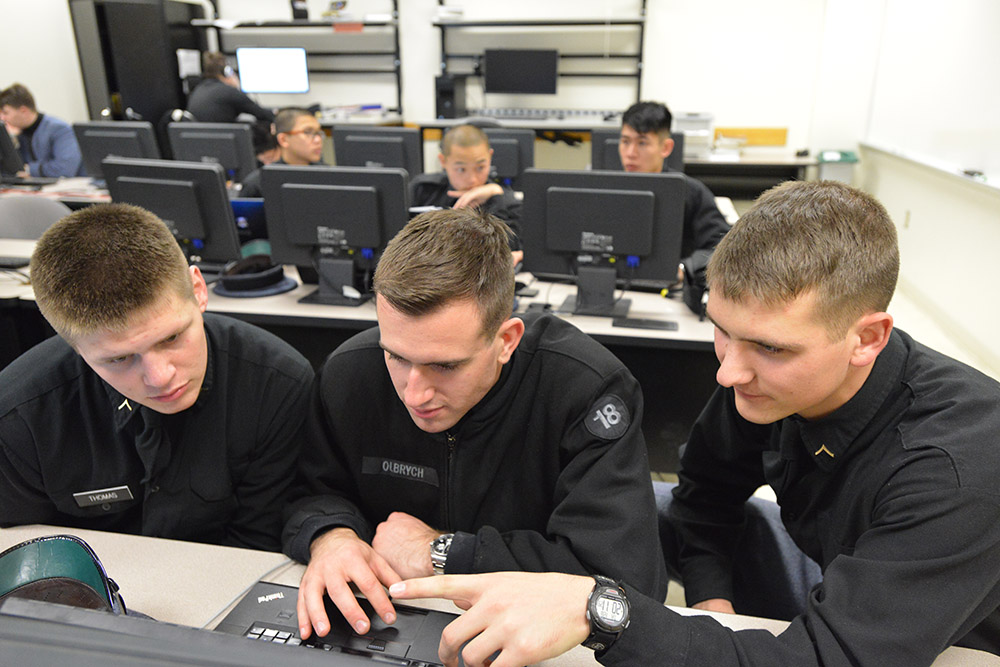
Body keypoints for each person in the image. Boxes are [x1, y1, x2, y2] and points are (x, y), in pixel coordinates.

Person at [389, 180, 1000, 666]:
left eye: (770, 348)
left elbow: (833, 657)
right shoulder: (765, 385)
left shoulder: (954, 465)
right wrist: (713, 600)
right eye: (721, 331)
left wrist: (604, 609)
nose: (731, 372)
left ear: (866, 338)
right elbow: (704, 498)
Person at [282, 207, 667, 640]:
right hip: (388, 623)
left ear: (506, 341)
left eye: (445, 366)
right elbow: (311, 491)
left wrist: (443, 552)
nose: (414, 393)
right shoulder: (349, 374)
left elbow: (623, 584)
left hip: (536, 640)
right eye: (396, 356)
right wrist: (331, 536)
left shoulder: (585, 390)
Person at [0, 203, 314, 552]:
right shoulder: (19, 416)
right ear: (74, 346)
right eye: (119, 358)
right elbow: (26, 558)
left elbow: (257, 545)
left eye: (172, 338)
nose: (160, 378)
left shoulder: (276, 383)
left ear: (198, 290)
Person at [618, 101, 730, 280]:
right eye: (625, 142)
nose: (630, 152)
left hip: (672, 290)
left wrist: (684, 268)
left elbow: (722, 247)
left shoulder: (691, 192)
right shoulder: (606, 189)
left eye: (642, 143)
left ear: (666, 148)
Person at [408, 124, 523, 263]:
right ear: (443, 161)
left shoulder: (505, 199)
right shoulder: (423, 189)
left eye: (480, 167)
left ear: (490, 157)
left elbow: (507, 251)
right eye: (461, 169)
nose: (472, 179)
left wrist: (495, 196)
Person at [0, 83, 85, 178]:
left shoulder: (60, 129)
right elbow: (10, 169)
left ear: (23, 111)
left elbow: (64, 169)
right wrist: (11, 141)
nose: (2, 118)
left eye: (5, 113)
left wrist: (28, 170)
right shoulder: (19, 133)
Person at [239, 107, 325, 197]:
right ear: (283, 139)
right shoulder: (258, 184)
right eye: (308, 132)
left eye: (319, 133)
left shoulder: (328, 178)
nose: (318, 140)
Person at [186, 52, 275, 124]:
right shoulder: (229, 92)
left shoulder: (198, 89)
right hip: (224, 141)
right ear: (227, 72)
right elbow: (265, 115)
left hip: (203, 142)